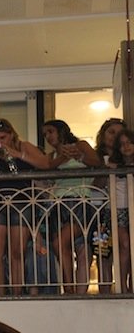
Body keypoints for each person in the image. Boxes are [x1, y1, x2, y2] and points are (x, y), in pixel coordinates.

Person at [0, 118, 49, 296]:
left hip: (21, 203)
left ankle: (17, 291)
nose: (0, 141)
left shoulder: (24, 146)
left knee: (17, 252)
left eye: (3, 137)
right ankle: (0, 291)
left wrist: (16, 154)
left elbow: (45, 164)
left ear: (11, 134)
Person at [42, 119, 103, 294]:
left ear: (61, 131)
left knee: (62, 243)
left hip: (80, 201)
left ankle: (71, 289)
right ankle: (70, 288)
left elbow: (96, 162)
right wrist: (63, 156)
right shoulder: (51, 156)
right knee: (63, 245)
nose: (48, 137)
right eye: (45, 134)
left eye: (50, 132)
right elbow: (47, 168)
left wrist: (78, 155)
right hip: (59, 204)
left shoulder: (81, 145)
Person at [99, 129, 134, 293]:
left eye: (129, 142)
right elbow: (98, 183)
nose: (126, 147)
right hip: (114, 209)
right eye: (122, 144)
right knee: (122, 245)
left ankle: (129, 284)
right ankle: (122, 285)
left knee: (129, 246)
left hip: (132, 209)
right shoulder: (110, 162)